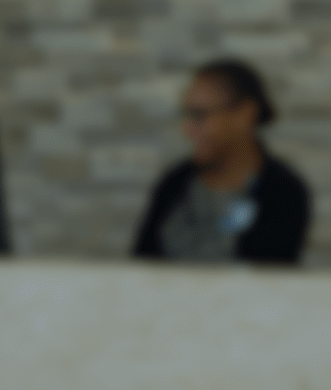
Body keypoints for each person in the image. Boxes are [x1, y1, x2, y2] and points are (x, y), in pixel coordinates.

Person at [132, 58, 313, 264]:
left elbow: (270, 278)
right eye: (186, 115)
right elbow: (141, 264)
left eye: (199, 115)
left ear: (244, 115)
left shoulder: (281, 192)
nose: (187, 129)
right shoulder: (174, 183)